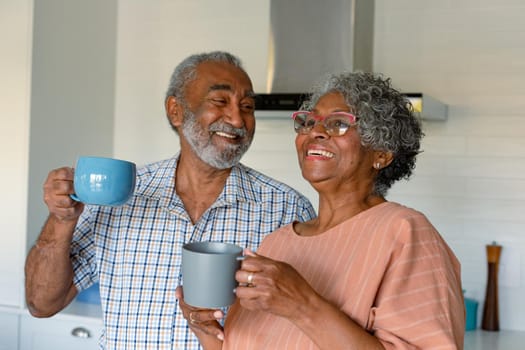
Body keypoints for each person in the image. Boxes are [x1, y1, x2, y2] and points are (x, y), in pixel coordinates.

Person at [24, 51, 316, 349]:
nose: (237, 118)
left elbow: (307, 328)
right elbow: (41, 303)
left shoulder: (287, 209)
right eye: (220, 101)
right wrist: (62, 219)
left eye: (248, 106)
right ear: (176, 111)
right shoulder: (120, 196)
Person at [177, 71, 465, 349]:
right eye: (308, 122)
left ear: (381, 153)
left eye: (338, 123)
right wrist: (206, 332)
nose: (315, 131)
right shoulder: (278, 243)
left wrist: (303, 304)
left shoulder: (405, 233)